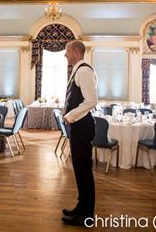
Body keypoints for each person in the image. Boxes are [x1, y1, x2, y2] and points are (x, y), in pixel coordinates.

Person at [61, 40, 98, 226]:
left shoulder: (83, 71)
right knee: (79, 169)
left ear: (76, 52)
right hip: (79, 125)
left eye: (67, 51)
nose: (65, 54)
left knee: (83, 170)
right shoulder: (78, 70)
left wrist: (70, 115)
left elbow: (91, 101)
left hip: (82, 126)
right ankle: (81, 207)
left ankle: (87, 214)